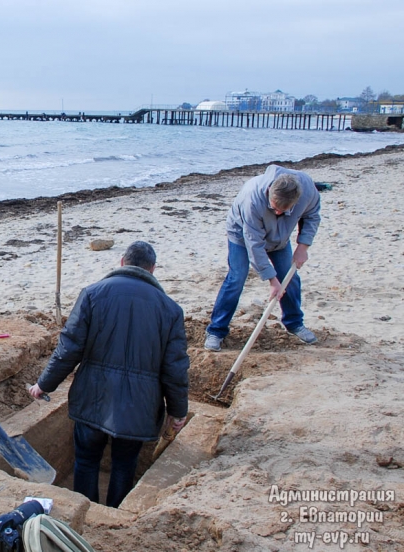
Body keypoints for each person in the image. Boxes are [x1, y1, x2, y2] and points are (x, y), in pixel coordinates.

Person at [29, 241, 189, 508]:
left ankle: (86, 513)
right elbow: (175, 367)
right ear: (153, 270)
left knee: (87, 460)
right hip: (139, 408)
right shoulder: (170, 309)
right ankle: (114, 516)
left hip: (93, 399)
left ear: (122, 262)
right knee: (125, 464)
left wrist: (44, 385)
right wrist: (177, 411)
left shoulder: (92, 294)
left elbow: (68, 349)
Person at [204, 165, 321, 351]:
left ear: (296, 201)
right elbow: (254, 245)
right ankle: (216, 331)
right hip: (242, 235)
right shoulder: (253, 199)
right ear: (269, 193)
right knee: (237, 278)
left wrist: (303, 247)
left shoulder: (307, 189)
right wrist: (271, 280)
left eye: (284, 211)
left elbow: (313, 216)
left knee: (289, 278)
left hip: (279, 238)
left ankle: (294, 323)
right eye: (274, 209)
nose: (278, 213)